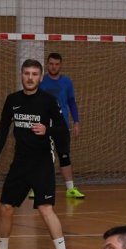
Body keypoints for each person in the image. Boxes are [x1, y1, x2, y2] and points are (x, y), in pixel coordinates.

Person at [0, 59, 74, 249]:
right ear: (21, 75)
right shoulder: (13, 100)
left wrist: (48, 130)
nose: (30, 77)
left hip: (42, 162)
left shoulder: (48, 101)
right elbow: (4, 128)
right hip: (20, 163)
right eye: (27, 73)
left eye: (35, 74)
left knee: (45, 209)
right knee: (6, 207)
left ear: (40, 77)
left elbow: (63, 129)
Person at [39, 52, 84, 199]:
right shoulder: (41, 82)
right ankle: (37, 187)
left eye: (57, 64)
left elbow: (71, 102)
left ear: (60, 65)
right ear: (47, 64)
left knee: (64, 156)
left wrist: (76, 122)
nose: (54, 66)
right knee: (41, 156)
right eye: (51, 64)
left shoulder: (67, 82)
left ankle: (70, 189)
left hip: (62, 126)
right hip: (43, 126)